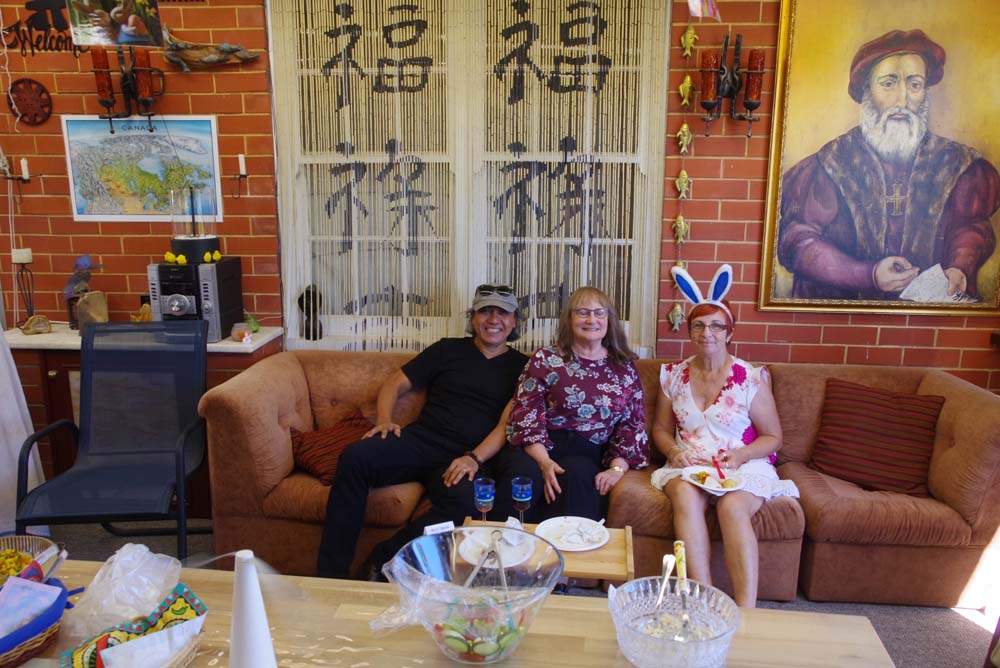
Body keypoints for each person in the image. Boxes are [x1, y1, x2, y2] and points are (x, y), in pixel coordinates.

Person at [316, 284, 529, 579]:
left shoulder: (523, 367)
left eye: (503, 313)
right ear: (473, 317)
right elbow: (395, 384)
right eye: (485, 311)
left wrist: (473, 459)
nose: (494, 320)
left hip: (466, 457)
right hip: (422, 441)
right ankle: (331, 575)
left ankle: (384, 558)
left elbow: (507, 424)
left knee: (468, 503)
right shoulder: (446, 349)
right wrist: (384, 420)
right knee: (355, 457)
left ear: (514, 321)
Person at [778, 29, 999, 301]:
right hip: (842, 315)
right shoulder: (830, 164)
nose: (902, 100)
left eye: (914, 84)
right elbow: (796, 241)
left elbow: (972, 227)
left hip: (927, 319)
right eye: (888, 84)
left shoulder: (957, 164)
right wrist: (869, 275)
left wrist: (959, 267)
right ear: (866, 91)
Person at [650, 265, 798, 608]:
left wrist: (741, 456)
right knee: (684, 495)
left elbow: (773, 437)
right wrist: (673, 451)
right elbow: (660, 429)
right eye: (699, 325)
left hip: (741, 464)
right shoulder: (672, 376)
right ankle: (702, 600)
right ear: (690, 331)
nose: (708, 333)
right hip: (690, 464)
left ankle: (746, 609)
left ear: (729, 333)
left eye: (717, 326)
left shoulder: (750, 378)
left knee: (732, 507)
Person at [500, 287, 648, 522]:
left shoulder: (623, 367)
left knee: (578, 475)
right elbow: (526, 414)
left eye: (599, 313)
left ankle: (569, 544)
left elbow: (632, 427)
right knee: (525, 475)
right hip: (537, 447)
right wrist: (544, 462)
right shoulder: (546, 359)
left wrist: (617, 469)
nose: (591, 320)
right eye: (583, 312)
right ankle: (510, 541)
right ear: (569, 319)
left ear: (609, 320)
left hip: (586, 452)